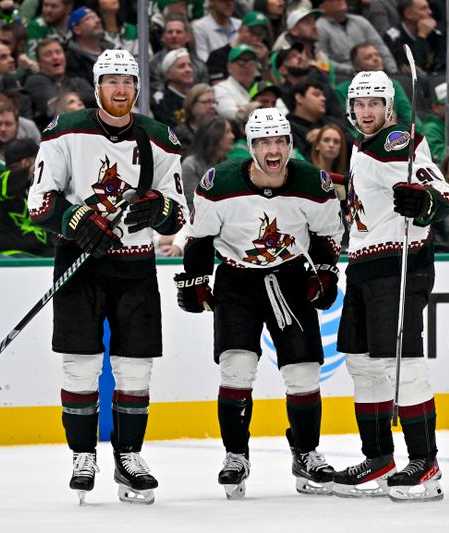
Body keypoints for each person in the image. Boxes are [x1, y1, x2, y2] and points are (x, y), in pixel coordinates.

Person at [27, 49, 187, 505]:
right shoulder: (65, 131)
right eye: (112, 81)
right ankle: (83, 454)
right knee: (79, 362)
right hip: (79, 260)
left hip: (135, 265)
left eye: (128, 81)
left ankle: (130, 456)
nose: (120, 90)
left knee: (135, 367)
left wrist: (160, 209)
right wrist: (76, 220)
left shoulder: (159, 138)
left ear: (137, 88)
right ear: (97, 87)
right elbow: (40, 201)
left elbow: (179, 215)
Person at [174, 107, 344, 500]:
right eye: (264, 142)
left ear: (290, 144)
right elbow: (199, 239)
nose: (273, 149)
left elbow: (325, 237)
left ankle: (306, 452)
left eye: (280, 141)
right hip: (237, 281)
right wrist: (197, 280)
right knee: (237, 368)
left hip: (290, 278)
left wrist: (325, 272)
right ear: (250, 147)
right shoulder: (220, 182)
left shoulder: (312, 182)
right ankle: (236, 455)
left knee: (303, 372)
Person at [332, 70, 449, 502]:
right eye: (360, 105)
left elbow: (442, 190)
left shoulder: (398, 140)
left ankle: (425, 461)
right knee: (362, 364)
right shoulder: (361, 148)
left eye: (374, 104)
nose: (367, 112)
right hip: (363, 266)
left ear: (389, 108)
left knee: (400, 364)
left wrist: (424, 202)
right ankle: (379, 459)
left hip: (399, 263)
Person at [180, 115, 234, 209]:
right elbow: (193, 202)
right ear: (215, 135)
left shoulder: (228, 164)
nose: (232, 136)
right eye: (227, 132)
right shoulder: (191, 165)